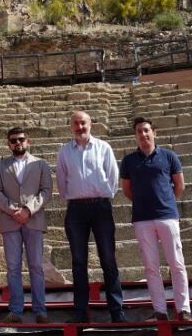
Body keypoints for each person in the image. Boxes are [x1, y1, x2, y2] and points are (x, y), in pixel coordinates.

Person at [55, 111, 127, 323]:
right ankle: (80, 312)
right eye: (76, 124)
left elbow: (113, 177)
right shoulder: (65, 152)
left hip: (100, 208)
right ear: (71, 127)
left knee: (108, 259)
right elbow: (61, 180)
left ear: (90, 124)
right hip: (76, 209)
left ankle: (116, 311)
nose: (80, 127)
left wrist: (103, 195)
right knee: (78, 262)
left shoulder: (104, 147)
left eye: (83, 123)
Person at [120, 117, 192, 322]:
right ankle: (160, 311)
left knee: (177, 263)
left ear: (154, 132)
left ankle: (184, 310)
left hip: (167, 216)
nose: (143, 134)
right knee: (151, 267)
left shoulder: (169, 156)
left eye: (146, 130)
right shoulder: (128, 161)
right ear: (135, 135)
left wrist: (166, 202)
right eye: (139, 131)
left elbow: (179, 185)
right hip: (142, 219)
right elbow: (127, 190)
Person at [0, 127, 53, 324]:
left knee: (36, 266)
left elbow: (46, 191)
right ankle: (16, 311)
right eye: (13, 140)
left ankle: (40, 311)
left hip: (33, 220)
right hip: (10, 222)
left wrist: (28, 210)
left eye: (21, 139)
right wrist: (12, 210)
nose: (18, 143)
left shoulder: (41, 164)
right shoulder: (0, 166)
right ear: (9, 144)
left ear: (28, 141)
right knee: (13, 267)